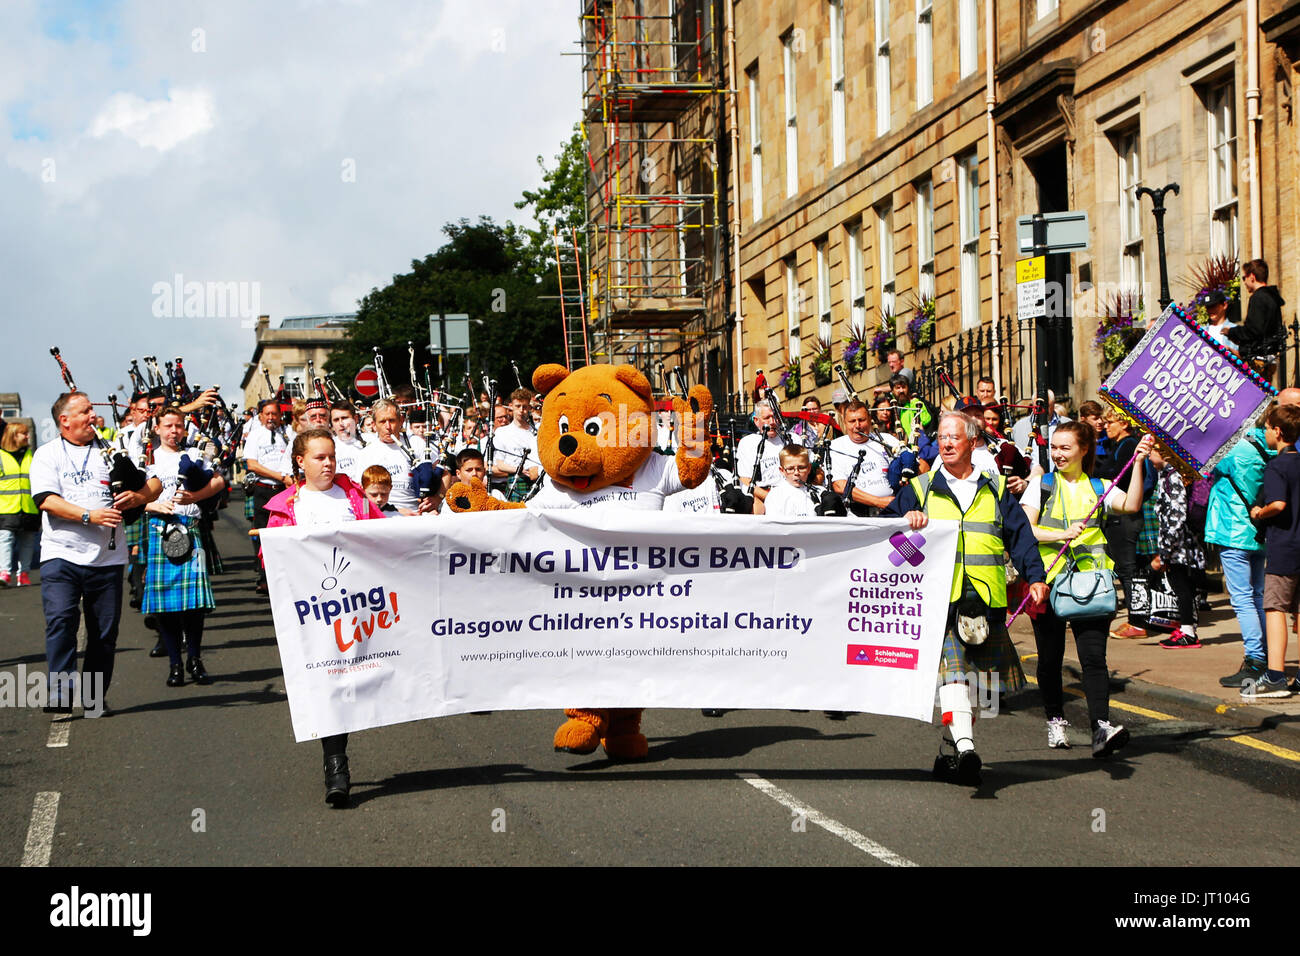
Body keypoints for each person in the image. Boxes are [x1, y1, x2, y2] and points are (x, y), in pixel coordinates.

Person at [886, 411, 1049, 785]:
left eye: (953, 438)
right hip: (941, 598)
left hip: (986, 598)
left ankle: (953, 750)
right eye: (941, 437)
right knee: (955, 677)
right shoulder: (920, 488)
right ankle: (967, 749)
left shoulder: (994, 487)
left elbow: (1020, 537)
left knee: (976, 686)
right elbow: (891, 542)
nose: (945, 443)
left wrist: (1035, 578)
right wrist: (908, 530)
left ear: (972, 442)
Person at [264, 427, 385, 805]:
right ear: (300, 462)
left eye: (331, 456)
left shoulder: (355, 498)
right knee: (329, 683)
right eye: (319, 457)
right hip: (315, 612)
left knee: (359, 680)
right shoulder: (287, 507)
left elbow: (386, 535)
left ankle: (339, 756)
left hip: (360, 606)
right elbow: (272, 561)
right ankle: (336, 764)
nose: (328, 463)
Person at [1021, 421, 1152, 756]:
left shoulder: (1101, 486)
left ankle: (1100, 728)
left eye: (1066, 447)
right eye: (1055, 447)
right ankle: (1055, 720)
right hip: (1048, 582)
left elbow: (1133, 505)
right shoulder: (1041, 485)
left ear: (1083, 449)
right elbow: (1026, 531)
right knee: (1050, 659)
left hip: (1092, 583)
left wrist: (1138, 462)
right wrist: (1060, 535)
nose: (1058, 454)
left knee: (1094, 658)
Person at [31, 392, 161, 712]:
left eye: (92, 410)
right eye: (85, 411)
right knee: (62, 620)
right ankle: (60, 692)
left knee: (103, 633)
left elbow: (156, 482)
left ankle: (92, 697)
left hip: (107, 558)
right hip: (61, 554)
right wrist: (90, 515)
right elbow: (46, 500)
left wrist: (138, 496)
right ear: (65, 420)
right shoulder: (47, 455)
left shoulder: (112, 450)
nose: (93, 415)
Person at [142, 406, 225, 687]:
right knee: (166, 608)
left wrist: (195, 497)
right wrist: (152, 504)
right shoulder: (146, 459)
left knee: (194, 607)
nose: (173, 431)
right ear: (157, 428)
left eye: (178, 426)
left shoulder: (193, 454)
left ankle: (195, 659)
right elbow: (130, 497)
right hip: (160, 529)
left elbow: (219, 481)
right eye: (168, 426)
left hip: (190, 529)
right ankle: (175, 664)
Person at [1207, 420, 1274, 687]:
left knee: (1242, 598)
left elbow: (1202, 465)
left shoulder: (1233, 449)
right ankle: (1266, 655)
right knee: (1257, 595)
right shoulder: (1268, 448)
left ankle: (1255, 659)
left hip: (1232, 527)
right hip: (1258, 531)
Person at [1244, 403, 1300, 697]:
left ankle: (1276, 676)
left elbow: (1278, 504)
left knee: (1275, 608)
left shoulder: (1276, 466)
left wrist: (1259, 512)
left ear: (1278, 432)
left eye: (1266, 427)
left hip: (1285, 547)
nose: (1264, 432)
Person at [1147, 443, 1206, 648]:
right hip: (1179, 546)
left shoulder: (1173, 476)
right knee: (1182, 589)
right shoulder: (1168, 475)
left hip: (1180, 548)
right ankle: (1185, 629)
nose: (1148, 455)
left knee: (1182, 589)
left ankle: (1188, 633)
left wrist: (1164, 552)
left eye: (1151, 451)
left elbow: (1176, 514)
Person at [244, 398, 291, 593]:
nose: (271, 417)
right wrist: (279, 476)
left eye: (275, 414)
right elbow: (252, 465)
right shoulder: (255, 436)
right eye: (267, 414)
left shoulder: (287, 434)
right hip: (264, 489)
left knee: (286, 533)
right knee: (262, 534)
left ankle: (285, 576)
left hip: (285, 491)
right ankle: (264, 577)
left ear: (280, 415)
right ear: (261, 416)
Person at [828, 401, 894, 516]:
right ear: (845, 423)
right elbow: (839, 486)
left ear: (869, 419)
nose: (857, 425)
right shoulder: (835, 447)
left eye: (861, 420)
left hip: (894, 509)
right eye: (852, 421)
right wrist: (878, 502)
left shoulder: (887, 440)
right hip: (859, 513)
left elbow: (919, 465)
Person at [1232, 259, 1285, 382]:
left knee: (1256, 397)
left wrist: (1233, 332)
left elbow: (1254, 330)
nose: (1244, 282)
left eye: (1244, 278)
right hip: (1268, 357)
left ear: (1252, 276)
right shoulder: (1271, 297)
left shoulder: (1258, 298)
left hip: (1258, 360)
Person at [0, 422, 38, 587]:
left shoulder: (31, 455)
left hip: (29, 506)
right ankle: (5, 573)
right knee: (6, 539)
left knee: (28, 540)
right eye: (24, 434)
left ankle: (24, 574)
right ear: (14, 435)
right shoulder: (1, 456)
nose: (27, 436)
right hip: (6, 507)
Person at [490, 389, 541, 501]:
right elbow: (500, 465)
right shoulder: (502, 432)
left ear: (529, 408)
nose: (521, 410)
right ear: (511, 406)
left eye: (525, 406)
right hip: (515, 480)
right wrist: (519, 469)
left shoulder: (537, 430)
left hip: (537, 480)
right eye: (518, 406)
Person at [735, 403, 784, 511]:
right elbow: (745, 479)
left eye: (775, 417)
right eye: (766, 418)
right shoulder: (747, 443)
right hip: (761, 495)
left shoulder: (791, 439)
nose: (772, 422)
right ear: (756, 420)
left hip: (788, 493)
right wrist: (770, 497)